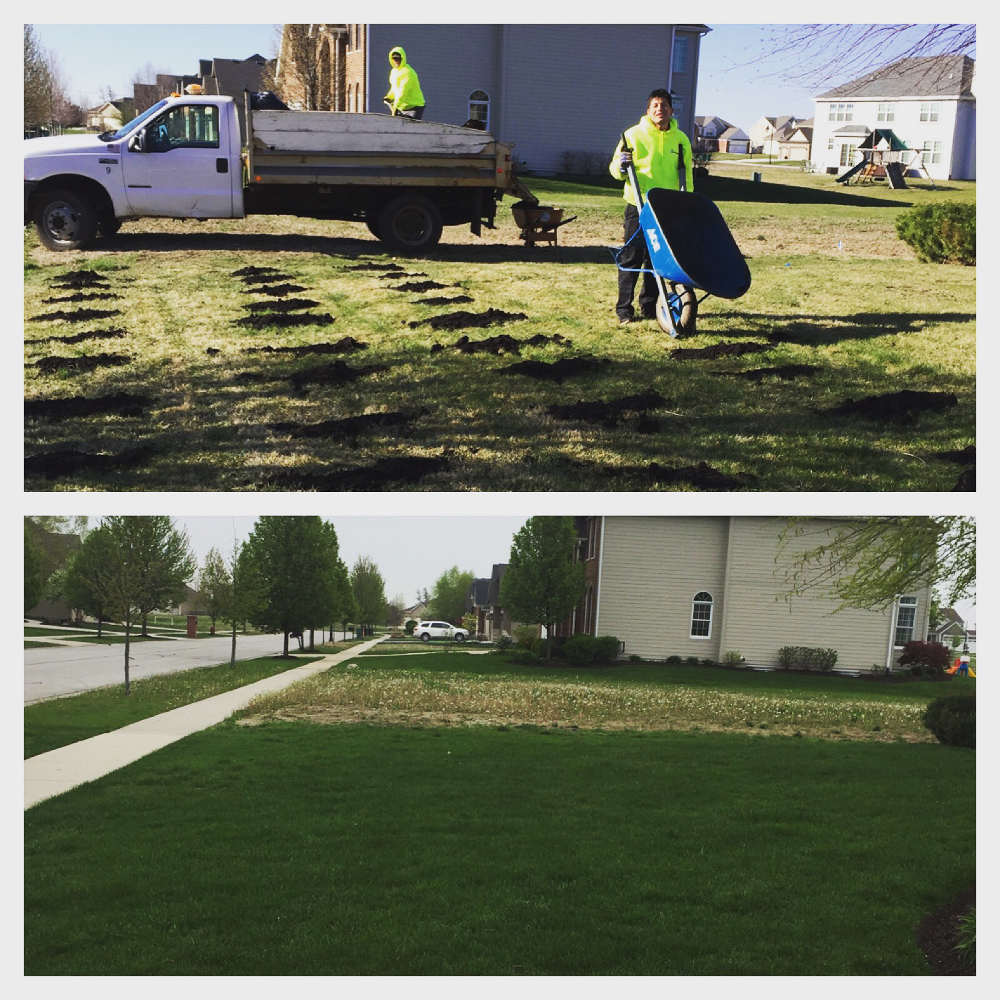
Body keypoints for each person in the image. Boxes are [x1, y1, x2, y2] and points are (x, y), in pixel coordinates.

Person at [609, 89, 694, 324]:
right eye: (655, 105)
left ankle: (649, 306)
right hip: (638, 204)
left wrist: (688, 203)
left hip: (668, 208)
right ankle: (624, 309)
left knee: (657, 259)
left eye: (664, 105)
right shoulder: (632, 135)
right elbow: (615, 171)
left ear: (671, 110)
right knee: (631, 257)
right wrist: (622, 165)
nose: (660, 109)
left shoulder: (681, 139)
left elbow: (686, 174)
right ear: (648, 111)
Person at [384, 46, 426, 120]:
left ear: (403, 58)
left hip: (415, 107)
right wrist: (389, 97)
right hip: (402, 106)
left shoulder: (408, 72)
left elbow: (402, 92)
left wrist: (395, 107)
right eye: (394, 58)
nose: (396, 61)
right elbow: (394, 88)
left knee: (411, 128)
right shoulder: (394, 72)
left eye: (398, 58)